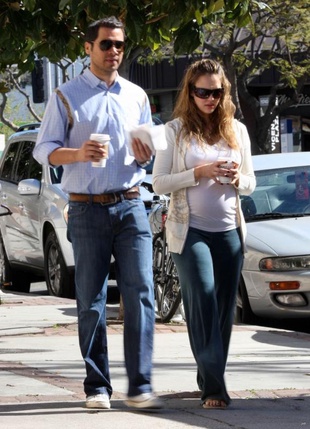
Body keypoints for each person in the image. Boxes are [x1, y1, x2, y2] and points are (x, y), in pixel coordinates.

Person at [33, 16, 162, 410]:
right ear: (88, 48)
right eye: (106, 44)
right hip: (86, 209)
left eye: (119, 45)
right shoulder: (67, 96)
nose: (114, 51)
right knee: (90, 299)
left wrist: (149, 151)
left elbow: (149, 146)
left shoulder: (137, 96)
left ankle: (139, 386)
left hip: (131, 203)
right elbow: (45, 149)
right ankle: (97, 387)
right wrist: (79, 153)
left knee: (141, 295)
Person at [152, 59, 256, 409]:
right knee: (203, 300)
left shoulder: (237, 131)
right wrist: (198, 172)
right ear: (190, 92)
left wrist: (235, 179)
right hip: (189, 231)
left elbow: (251, 183)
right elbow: (159, 181)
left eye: (216, 92)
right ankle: (214, 386)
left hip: (229, 232)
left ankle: (208, 375)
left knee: (224, 310)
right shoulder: (174, 131)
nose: (210, 98)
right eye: (202, 92)